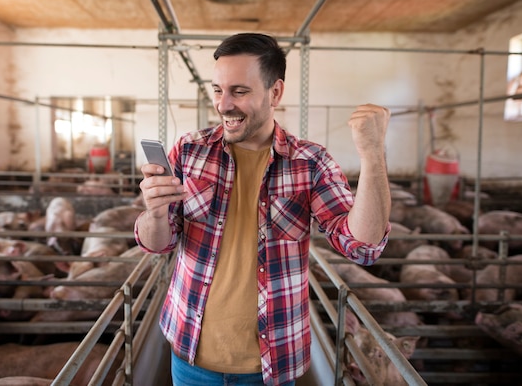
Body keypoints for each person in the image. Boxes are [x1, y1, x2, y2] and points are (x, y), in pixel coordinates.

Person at [134, 33, 392, 386]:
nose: (224, 104)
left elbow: (362, 247)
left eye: (239, 91)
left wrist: (372, 156)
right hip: (190, 354)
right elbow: (158, 244)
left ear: (275, 93)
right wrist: (155, 213)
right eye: (217, 90)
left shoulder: (310, 162)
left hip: (271, 365)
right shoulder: (189, 151)